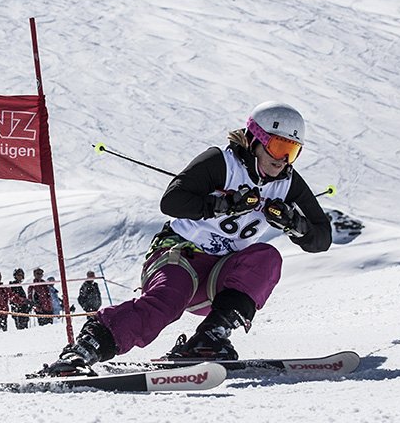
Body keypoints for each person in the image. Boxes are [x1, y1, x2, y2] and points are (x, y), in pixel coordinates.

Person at [41, 101, 332, 375]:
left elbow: (322, 238)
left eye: (292, 152)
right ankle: (84, 349)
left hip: (221, 278)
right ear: (255, 139)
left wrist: (295, 223)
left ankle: (208, 338)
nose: (282, 160)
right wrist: (223, 204)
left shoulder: (288, 184)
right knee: (166, 304)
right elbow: (172, 201)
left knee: (267, 257)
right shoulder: (221, 162)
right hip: (180, 254)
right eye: (279, 147)